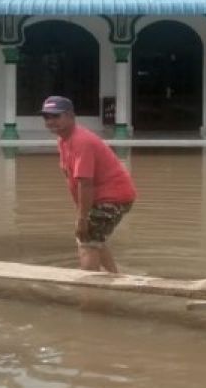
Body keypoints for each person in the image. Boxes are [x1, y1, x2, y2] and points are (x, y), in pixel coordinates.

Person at [40, 95, 136, 273]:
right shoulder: (63, 140)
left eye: (56, 116)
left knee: (86, 241)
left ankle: (90, 295)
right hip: (103, 197)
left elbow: (85, 184)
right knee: (95, 238)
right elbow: (73, 179)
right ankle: (115, 278)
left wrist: (82, 218)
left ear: (71, 116)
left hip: (113, 197)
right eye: (47, 117)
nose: (51, 121)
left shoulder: (81, 141)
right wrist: (83, 213)